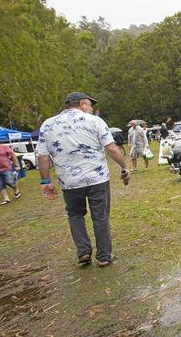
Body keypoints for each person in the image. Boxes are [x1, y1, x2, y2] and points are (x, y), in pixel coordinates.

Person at [37, 92, 131, 267]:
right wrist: (124, 167)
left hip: (69, 182)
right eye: (90, 105)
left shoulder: (48, 125)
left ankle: (83, 252)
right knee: (100, 217)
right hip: (97, 179)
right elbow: (112, 149)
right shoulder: (95, 121)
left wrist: (45, 181)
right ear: (82, 104)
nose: (92, 108)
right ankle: (103, 256)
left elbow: (42, 156)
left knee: (75, 215)